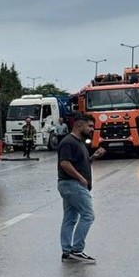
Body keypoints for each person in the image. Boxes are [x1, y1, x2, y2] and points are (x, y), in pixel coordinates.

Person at [57, 113, 106, 264]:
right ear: (79, 125)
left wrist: (94, 157)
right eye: (89, 126)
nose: (92, 129)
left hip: (70, 185)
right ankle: (77, 250)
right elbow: (64, 163)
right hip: (72, 184)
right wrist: (80, 178)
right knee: (88, 215)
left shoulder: (79, 143)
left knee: (70, 219)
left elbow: (80, 164)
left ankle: (67, 252)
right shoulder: (68, 142)